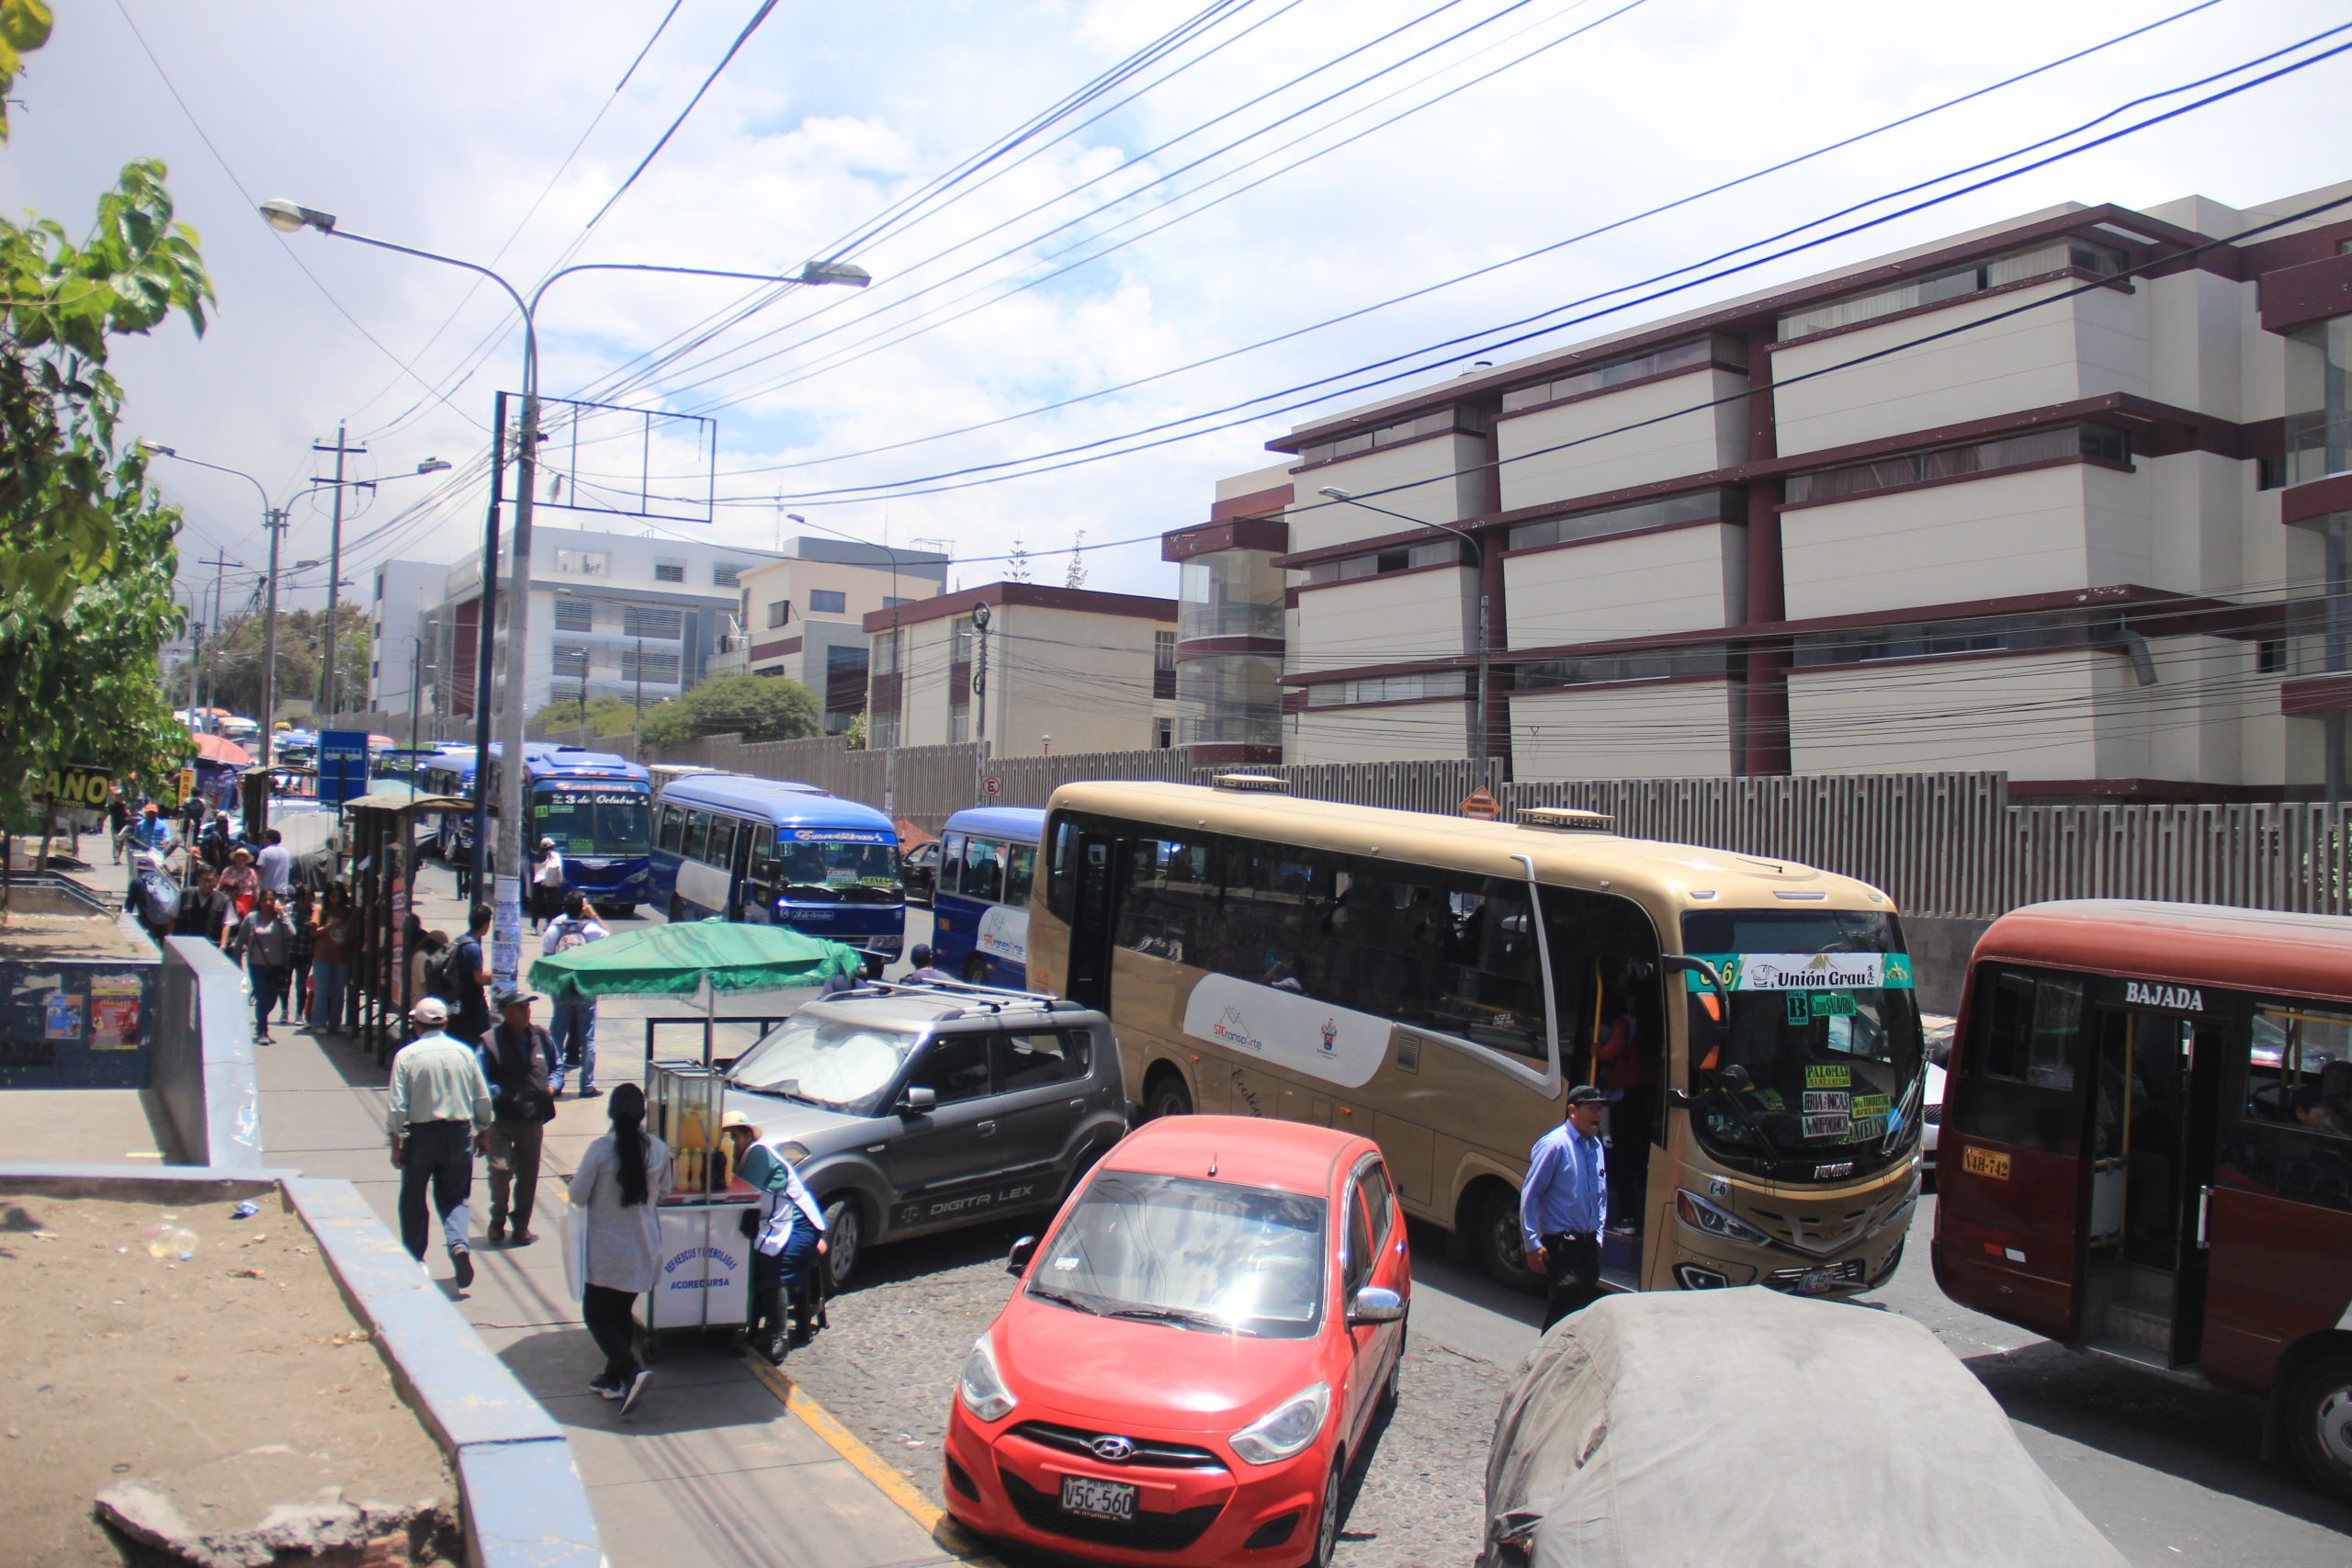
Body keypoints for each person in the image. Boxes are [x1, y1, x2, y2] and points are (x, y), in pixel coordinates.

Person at [568, 1082, 673, 1414]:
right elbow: (666, 1191)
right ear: (643, 1115)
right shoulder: (658, 1150)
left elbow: (577, 1195)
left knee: (596, 1315)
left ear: (611, 1112)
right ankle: (612, 1380)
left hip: (606, 1253)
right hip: (644, 1248)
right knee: (620, 1313)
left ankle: (630, 1371)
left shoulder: (601, 1149)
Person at [388, 996, 493, 1289]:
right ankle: (459, 1245)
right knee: (455, 1197)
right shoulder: (463, 1053)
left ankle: (416, 1259)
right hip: (459, 1134)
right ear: (445, 1023)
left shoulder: (407, 1056)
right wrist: (483, 1131)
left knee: (413, 1198)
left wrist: (396, 1143)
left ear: (416, 1025)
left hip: (420, 1135)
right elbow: (482, 1098)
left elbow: (398, 1107)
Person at [724, 1110, 828, 1363]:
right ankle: (744, 1322)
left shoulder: (759, 1153)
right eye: (725, 1137)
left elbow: (742, 1191)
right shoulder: (738, 1159)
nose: (730, 1143)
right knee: (744, 1257)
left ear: (747, 1135)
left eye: (734, 1136)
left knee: (770, 1264)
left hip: (800, 1224)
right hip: (773, 1223)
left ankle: (778, 1334)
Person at [1522, 1084, 1611, 1333]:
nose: (1597, 1114)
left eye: (1599, 1108)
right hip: (1562, 1244)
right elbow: (1531, 1195)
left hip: (1588, 1246)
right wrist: (1531, 1244)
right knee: (1565, 1310)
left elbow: (1601, 1195)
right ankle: (1544, 1366)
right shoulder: (1555, 1145)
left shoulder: (1595, 1147)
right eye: (1591, 1108)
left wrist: (1599, 1237)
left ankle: (1559, 1366)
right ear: (1573, 1110)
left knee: (1579, 1315)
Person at [477, 983, 560, 1246]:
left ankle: (521, 1224)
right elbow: (478, 1077)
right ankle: (497, 1218)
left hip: (532, 1118)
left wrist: (552, 1086)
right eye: (520, 1007)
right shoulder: (490, 1041)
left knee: (528, 1174)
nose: (526, 1011)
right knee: (500, 1169)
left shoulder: (541, 1036)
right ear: (506, 1012)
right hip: (501, 1119)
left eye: (528, 1006)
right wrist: (495, 1092)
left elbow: (558, 1067)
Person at [542, 892, 608, 1097]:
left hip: (562, 990)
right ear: (582, 908)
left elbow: (547, 960)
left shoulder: (553, 929)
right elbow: (610, 939)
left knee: (556, 1036)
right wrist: (593, 915)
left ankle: (556, 1082)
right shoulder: (591, 929)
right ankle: (587, 1085)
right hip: (584, 990)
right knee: (587, 1039)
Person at [232, 890, 297, 1045]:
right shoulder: (252, 918)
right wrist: (236, 963)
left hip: (277, 965)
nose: (268, 903)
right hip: (257, 965)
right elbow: (240, 940)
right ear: (259, 902)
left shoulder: (279, 918)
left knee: (272, 998)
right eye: (265, 900)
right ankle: (263, 1031)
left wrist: (284, 916)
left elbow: (292, 933)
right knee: (262, 996)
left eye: (271, 900)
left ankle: (261, 1018)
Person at [310, 884, 353, 1033]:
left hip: (342, 957)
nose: (336, 899)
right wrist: (330, 926)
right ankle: (318, 1023)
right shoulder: (321, 910)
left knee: (339, 992)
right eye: (333, 895)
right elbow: (313, 932)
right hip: (322, 956)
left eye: (339, 896)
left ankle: (335, 1022)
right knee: (321, 991)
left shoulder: (347, 913)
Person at [448, 904, 494, 1043]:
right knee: (480, 1038)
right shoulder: (473, 948)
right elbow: (479, 978)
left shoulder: (460, 940)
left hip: (457, 997)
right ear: (486, 924)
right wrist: (497, 975)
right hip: (472, 1002)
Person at [170, 863, 232, 946]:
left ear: (216, 880)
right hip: (184, 943)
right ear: (198, 880)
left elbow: (227, 924)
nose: (207, 884)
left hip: (210, 945)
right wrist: (170, 939)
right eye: (205, 880)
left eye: (210, 880)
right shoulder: (185, 894)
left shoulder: (224, 900)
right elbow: (172, 917)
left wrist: (222, 946)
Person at [284, 886, 316, 1027]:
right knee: (285, 982)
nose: (309, 901)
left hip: (306, 951)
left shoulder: (314, 911)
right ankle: (284, 1010)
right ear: (299, 898)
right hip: (289, 951)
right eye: (306, 897)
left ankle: (299, 1013)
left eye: (311, 897)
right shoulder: (289, 909)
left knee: (301, 984)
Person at [531, 838, 565, 932]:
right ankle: (548, 923)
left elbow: (535, 870)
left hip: (537, 881)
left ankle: (534, 926)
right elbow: (559, 869)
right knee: (551, 904)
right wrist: (559, 881)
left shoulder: (537, 856)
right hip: (550, 882)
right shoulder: (555, 856)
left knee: (536, 905)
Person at [220, 845, 259, 919]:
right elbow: (221, 885)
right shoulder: (228, 870)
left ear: (247, 860)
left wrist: (257, 900)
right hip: (231, 898)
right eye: (238, 858)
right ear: (234, 859)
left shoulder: (251, 872)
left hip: (246, 900)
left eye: (243, 859)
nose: (240, 861)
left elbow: (255, 888)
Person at [255, 828, 293, 899]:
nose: (263, 840)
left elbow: (261, 872)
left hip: (267, 891)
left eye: (265, 838)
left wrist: (256, 886)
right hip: (282, 890)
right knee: (279, 909)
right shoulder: (286, 853)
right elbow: (289, 869)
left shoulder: (265, 852)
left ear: (269, 839)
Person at [106, 790, 130, 865]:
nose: (121, 797)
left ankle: (118, 857)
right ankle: (116, 858)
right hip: (115, 827)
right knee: (116, 843)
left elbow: (129, 815)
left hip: (124, 828)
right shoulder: (112, 805)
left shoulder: (126, 806)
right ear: (115, 797)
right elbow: (107, 811)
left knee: (121, 844)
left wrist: (127, 811)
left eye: (122, 796)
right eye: (119, 796)